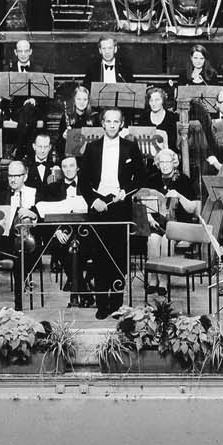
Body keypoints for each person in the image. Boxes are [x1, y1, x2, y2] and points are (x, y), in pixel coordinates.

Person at [77, 107, 146, 317]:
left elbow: (141, 177)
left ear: (121, 124)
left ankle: (116, 304)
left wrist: (126, 192)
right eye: (109, 121)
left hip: (120, 205)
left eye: (116, 122)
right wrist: (93, 201)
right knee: (99, 257)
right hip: (98, 206)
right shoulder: (92, 148)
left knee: (118, 257)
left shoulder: (131, 147)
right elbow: (83, 182)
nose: (112, 125)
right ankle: (101, 304)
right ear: (103, 124)